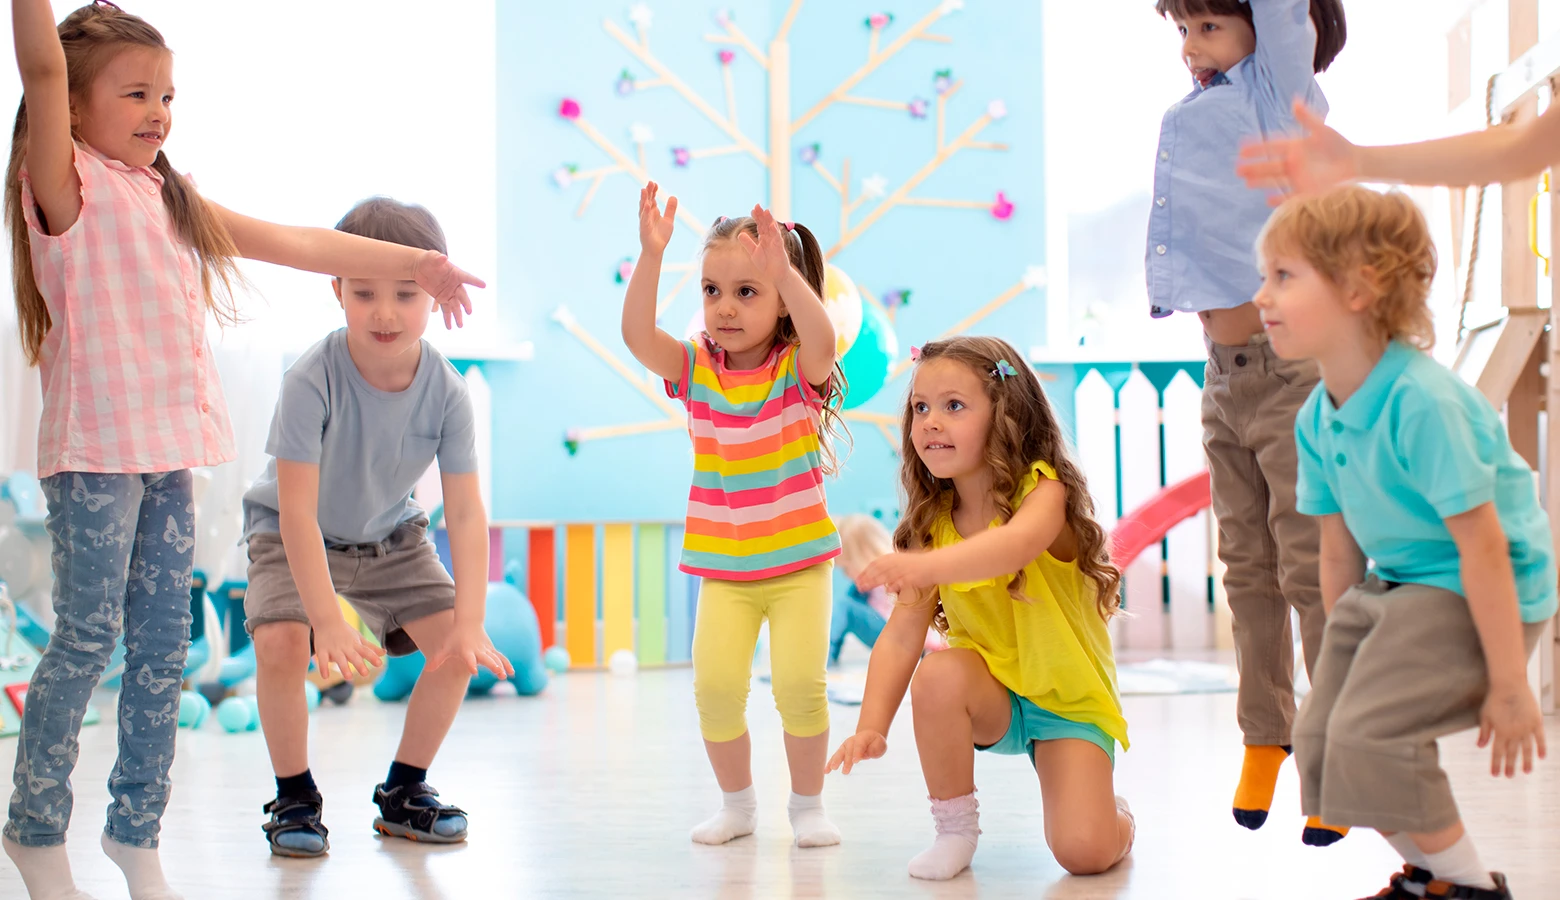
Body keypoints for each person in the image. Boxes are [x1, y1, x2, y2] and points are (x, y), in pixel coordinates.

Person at [1254, 185, 1553, 900]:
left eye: (1284, 276)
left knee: (1370, 735)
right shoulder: (1318, 417)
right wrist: (1333, 670)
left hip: (1484, 586)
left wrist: (1511, 687)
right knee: (1324, 741)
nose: (1261, 296)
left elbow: (1482, 549)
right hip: (1402, 582)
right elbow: (1336, 554)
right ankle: (1431, 880)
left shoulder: (1424, 402)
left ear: (1359, 289)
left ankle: (1471, 889)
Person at [828, 337, 1132, 881]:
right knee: (938, 671)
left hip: (1067, 702)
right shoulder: (931, 524)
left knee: (1084, 852)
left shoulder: (1045, 493)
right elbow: (900, 637)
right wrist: (871, 724)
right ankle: (955, 831)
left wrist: (922, 569)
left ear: (1006, 416)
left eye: (953, 406)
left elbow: (1010, 547)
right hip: (991, 693)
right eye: (920, 407)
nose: (930, 422)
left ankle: (1119, 817)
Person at [621, 183, 847, 848]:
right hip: (725, 567)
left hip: (799, 564)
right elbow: (637, 335)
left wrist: (785, 274)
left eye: (747, 292)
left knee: (801, 689)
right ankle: (738, 805)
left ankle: (807, 808)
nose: (724, 307)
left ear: (781, 303)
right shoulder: (696, 369)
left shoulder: (797, 370)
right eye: (712, 291)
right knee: (717, 690)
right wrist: (652, 256)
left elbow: (825, 339)